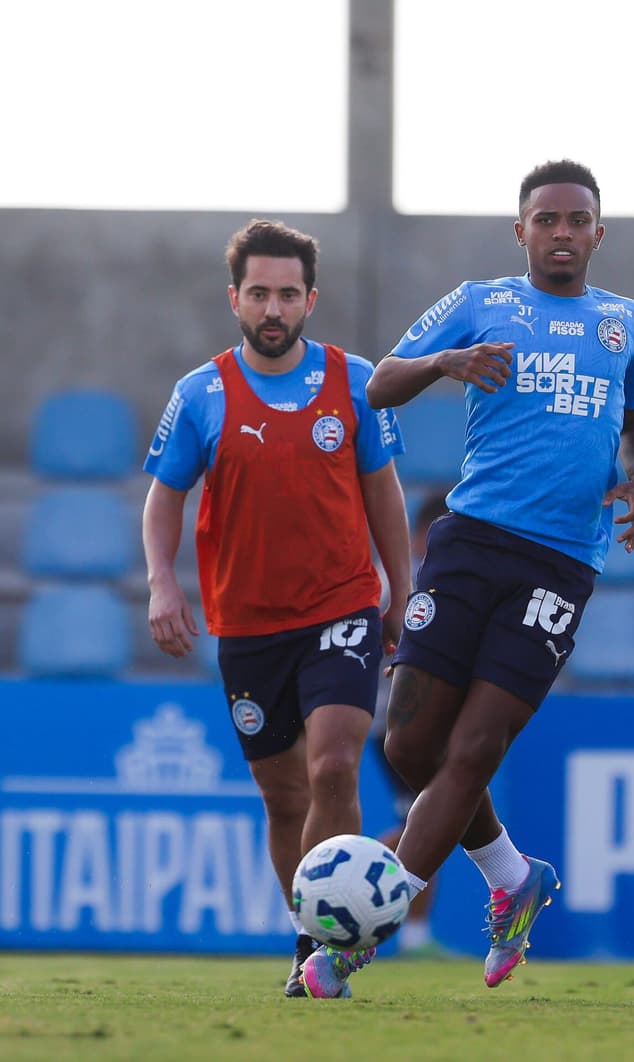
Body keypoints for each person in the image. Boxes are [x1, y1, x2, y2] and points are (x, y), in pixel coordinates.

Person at [301, 159, 634, 997]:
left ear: (598, 233)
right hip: (468, 544)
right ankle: (511, 875)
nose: (562, 232)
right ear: (521, 230)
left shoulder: (627, 323)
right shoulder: (480, 302)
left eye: (578, 220)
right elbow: (378, 384)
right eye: (547, 218)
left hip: (560, 563)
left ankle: (355, 942)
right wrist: (449, 363)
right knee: (411, 745)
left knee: (473, 746)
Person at [141, 219, 411, 999]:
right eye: (259, 292)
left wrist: (400, 591)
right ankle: (309, 932)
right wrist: (163, 581)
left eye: (288, 294)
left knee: (333, 766)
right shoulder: (201, 394)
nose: (273, 307)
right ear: (235, 298)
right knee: (285, 796)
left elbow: (383, 494)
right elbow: (164, 501)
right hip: (248, 626)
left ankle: (324, 947)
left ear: (310, 300)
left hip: (343, 606)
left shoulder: (355, 381)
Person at [370, 491, 450, 957]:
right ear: (423, 535)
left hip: (413, 720)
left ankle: (417, 937)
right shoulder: (400, 583)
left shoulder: (426, 580)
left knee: (431, 817)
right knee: (430, 819)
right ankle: (349, 872)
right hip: (399, 722)